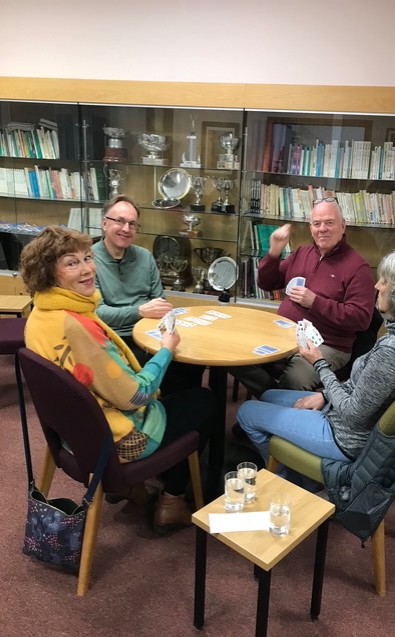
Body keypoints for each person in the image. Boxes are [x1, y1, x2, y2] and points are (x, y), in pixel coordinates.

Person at [20, 226, 216, 536]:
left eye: (87, 258)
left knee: (178, 382)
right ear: (48, 273)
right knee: (205, 400)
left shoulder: (39, 315)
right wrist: (166, 349)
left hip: (73, 434)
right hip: (118, 440)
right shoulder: (76, 326)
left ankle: (133, 488)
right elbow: (135, 395)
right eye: (72, 263)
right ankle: (172, 500)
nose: (87, 269)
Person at [236, 246, 395, 470]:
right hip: (350, 416)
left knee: (247, 411)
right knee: (269, 395)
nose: (377, 286)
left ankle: (285, 477)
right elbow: (367, 389)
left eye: (385, 281)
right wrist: (325, 394)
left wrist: (319, 364)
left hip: (344, 436)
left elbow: (352, 415)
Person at [230, 197, 376, 398]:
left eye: (329, 222)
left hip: (328, 344)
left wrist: (315, 302)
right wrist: (274, 252)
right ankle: (271, 400)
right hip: (283, 334)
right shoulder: (301, 253)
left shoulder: (358, 268)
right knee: (235, 355)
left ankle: (270, 404)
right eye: (317, 224)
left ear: (343, 226)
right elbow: (267, 283)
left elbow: (361, 318)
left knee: (295, 380)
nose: (322, 229)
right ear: (311, 228)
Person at [92, 194, 204, 394]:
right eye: (120, 221)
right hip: (116, 339)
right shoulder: (88, 262)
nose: (126, 229)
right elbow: (98, 313)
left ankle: (176, 406)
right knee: (167, 368)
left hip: (149, 332)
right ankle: (156, 406)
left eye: (132, 224)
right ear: (104, 223)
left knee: (193, 359)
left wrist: (159, 316)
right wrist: (140, 311)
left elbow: (160, 301)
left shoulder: (145, 257)